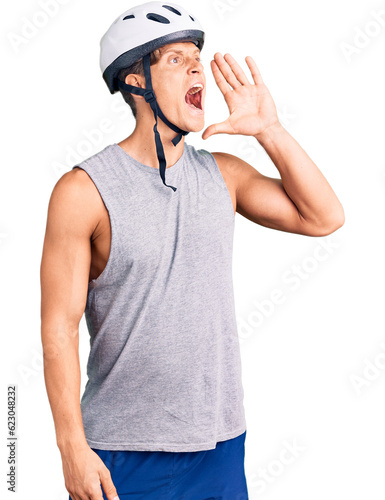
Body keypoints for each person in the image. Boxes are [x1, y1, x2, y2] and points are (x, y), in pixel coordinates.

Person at [40, 2, 345, 499]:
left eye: (196, 57)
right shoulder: (83, 190)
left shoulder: (224, 174)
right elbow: (58, 328)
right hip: (121, 452)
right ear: (135, 81)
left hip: (220, 445)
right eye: (176, 59)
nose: (197, 67)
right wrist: (71, 448)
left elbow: (324, 217)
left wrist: (269, 129)